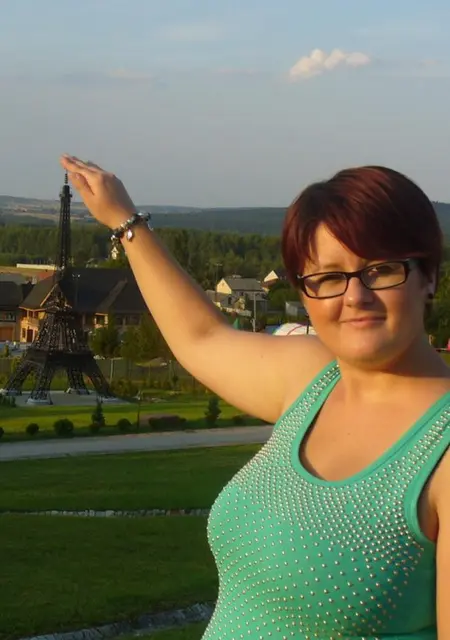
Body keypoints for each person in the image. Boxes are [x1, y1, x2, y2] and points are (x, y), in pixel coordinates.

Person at [60, 155, 450, 639]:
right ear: (304, 293)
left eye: (381, 270)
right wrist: (125, 221)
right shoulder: (313, 378)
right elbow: (201, 337)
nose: (355, 297)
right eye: (328, 278)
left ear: (429, 276)